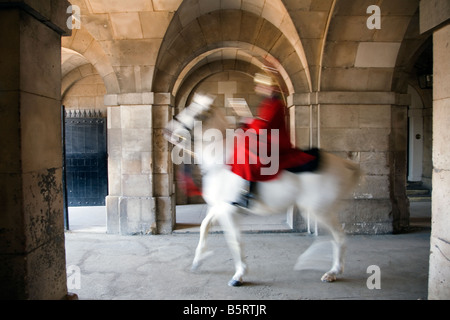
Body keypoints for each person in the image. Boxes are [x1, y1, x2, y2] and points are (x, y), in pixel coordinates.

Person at [230, 71, 317, 208]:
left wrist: (248, 120)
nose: (260, 89)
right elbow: (261, 123)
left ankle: (248, 192)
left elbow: (265, 126)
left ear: (270, 88)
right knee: (242, 141)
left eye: (262, 86)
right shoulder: (268, 103)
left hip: (275, 141)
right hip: (267, 137)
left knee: (247, 150)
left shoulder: (276, 104)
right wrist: (246, 124)